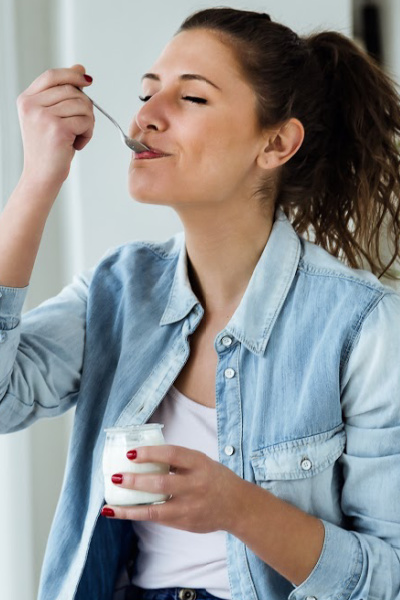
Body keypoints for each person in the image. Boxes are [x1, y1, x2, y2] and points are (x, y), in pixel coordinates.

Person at [1, 6, 400, 600]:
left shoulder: (362, 325)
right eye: (146, 92)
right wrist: (37, 180)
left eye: (191, 99)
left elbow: (387, 575)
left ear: (277, 142)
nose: (145, 118)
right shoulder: (116, 289)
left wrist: (238, 508)